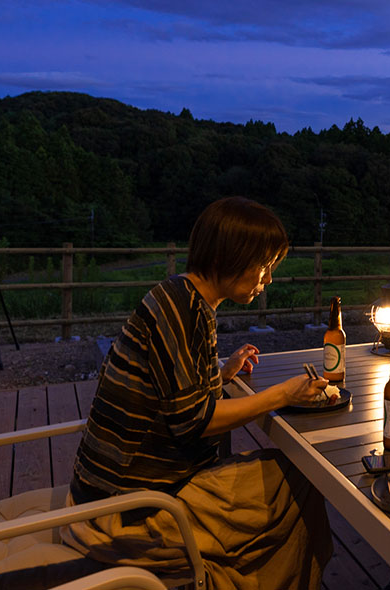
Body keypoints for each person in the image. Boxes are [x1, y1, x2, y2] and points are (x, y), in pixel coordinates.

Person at [63, 197, 332, 590]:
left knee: (287, 476)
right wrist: (283, 394)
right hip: (125, 513)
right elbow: (194, 421)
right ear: (228, 258)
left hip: (108, 493)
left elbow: (170, 393)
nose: (268, 279)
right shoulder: (184, 310)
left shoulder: (180, 297)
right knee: (302, 480)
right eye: (265, 265)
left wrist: (221, 373)